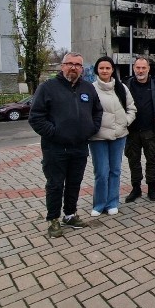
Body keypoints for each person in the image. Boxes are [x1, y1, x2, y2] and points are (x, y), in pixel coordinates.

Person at [29, 52, 103, 238]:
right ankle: (53, 219)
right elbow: (36, 117)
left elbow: (97, 111)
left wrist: (91, 128)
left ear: (81, 68)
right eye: (69, 64)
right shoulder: (48, 88)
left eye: (77, 65)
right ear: (62, 66)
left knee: (74, 183)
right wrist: (55, 133)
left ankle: (70, 215)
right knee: (55, 185)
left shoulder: (87, 88)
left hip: (79, 146)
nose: (73, 68)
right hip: (55, 148)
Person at [89, 56, 137, 216]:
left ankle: (112, 202)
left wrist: (125, 122)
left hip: (119, 135)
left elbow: (131, 108)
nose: (104, 71)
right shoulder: (91, 88)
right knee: (101, 171)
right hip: (98, 137)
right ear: (97, 70)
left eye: (107, 68)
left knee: (115, 170)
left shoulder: (122, 88)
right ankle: (99, 204)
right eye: (101, 68)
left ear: (112, 70)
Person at [124, 56, 155, 202]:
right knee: (133, 161)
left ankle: (152, 188)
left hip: (150, 130)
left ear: (148, 69)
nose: (140, 71)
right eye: (138, 68)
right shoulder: (126, 85)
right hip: (131, 131)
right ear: (134, 68)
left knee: (151, 160)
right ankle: (136, 189)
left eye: (143, 68)